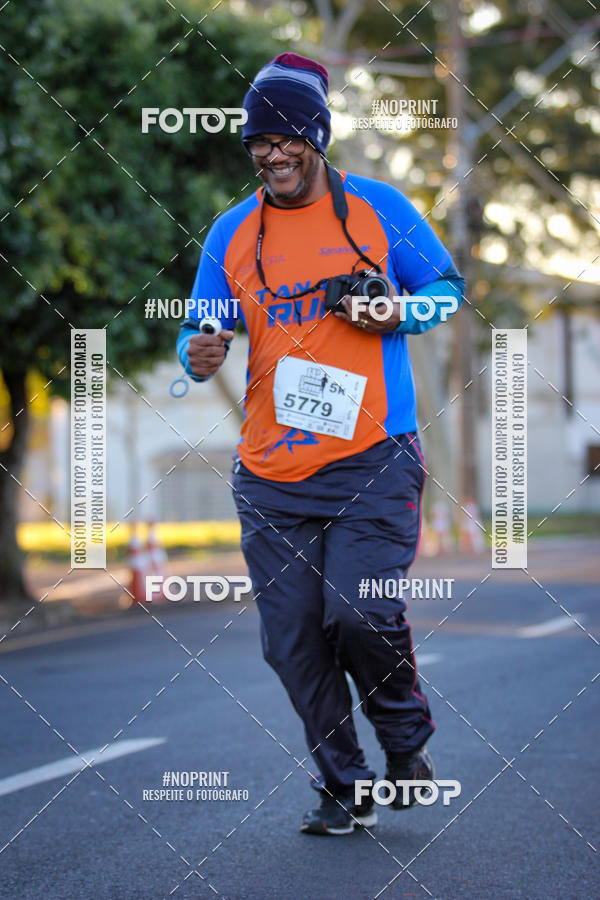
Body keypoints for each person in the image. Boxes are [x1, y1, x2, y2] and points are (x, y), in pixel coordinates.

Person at [176, 52, 464, 835]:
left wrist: (395, 313)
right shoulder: (233, 231)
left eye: (286, 138)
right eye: (257, 142)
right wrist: (197, 351)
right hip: (271, 474)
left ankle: (405, 745)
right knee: (295, 642)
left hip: (373, 460)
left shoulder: (380, 210)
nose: (271, 153)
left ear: (317, 138)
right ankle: (345, 785)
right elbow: (204, 324)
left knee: (357, 614)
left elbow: (448, 292)